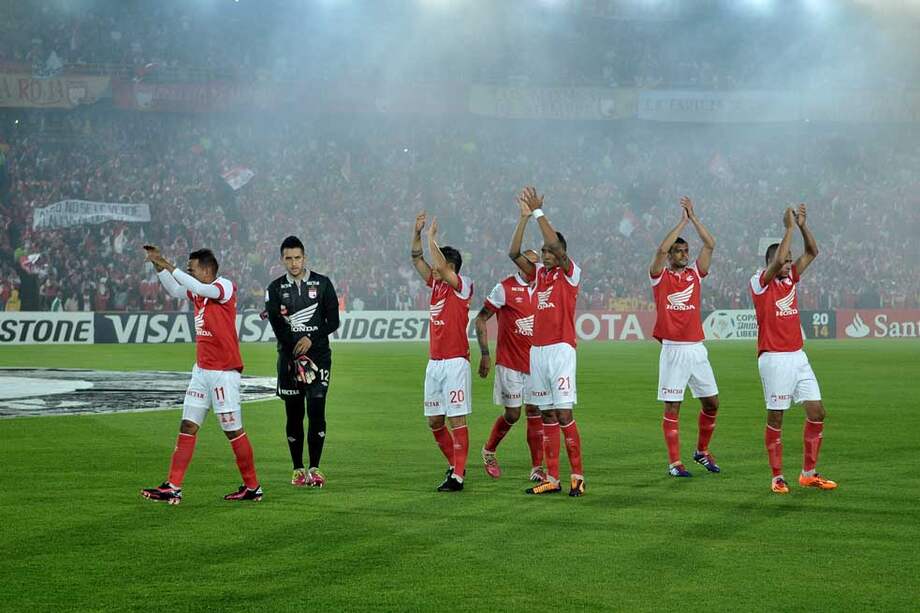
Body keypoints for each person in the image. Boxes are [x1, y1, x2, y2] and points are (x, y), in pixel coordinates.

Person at [140, 245, 262, 504]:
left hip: (223, 373)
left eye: (191, 269)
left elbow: (199, 288)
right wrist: (157, 265)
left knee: (232, 430)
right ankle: (173, 486)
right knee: (188, 425)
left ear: (206, 270)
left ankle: (252, 487)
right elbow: (174, 289)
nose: (188, 273)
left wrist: (169, 264)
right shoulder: (199, 293)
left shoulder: (224, 287)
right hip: (202, 371)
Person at [750, 205, 837, 494]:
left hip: (798, 357)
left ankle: (808, 473)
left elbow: (812, 252)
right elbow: (774, 266)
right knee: (776, 417)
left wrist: (801, 226)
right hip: (773, 358)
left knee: (817, 412)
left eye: (789, 261)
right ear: (771, 262)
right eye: (784, 260)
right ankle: (777, 477)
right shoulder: (759, 282)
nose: (789, 264)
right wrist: (786, 229)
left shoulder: (791, 279)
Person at [509, 187, 585, 497]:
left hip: (561, 349)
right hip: (537, 351)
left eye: (550, 252)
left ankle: (578, 477)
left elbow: (555, 242)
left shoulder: (571, 273)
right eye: (543, 252)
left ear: (562, 254)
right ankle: (552, 477)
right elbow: (513, 255)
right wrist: (523, 220)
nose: (546, 255)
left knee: (564, 414)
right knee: (547, 414)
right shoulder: (539, 275)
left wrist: (539, 212)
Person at [649, 196, 721, 478]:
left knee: (712, 403)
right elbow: (659, 249)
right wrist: (680, 223)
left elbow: (710, 244)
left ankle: (701, 451)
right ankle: (675, 463)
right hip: (674, 350)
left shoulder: (695, 274)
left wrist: (693, 219)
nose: (683, 254)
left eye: (685, 250)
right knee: (673, 406)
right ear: (670, 256)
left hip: (697, 349)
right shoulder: (659, 277)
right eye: (678, 251)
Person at [264, 236, 340, 488]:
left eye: (298, 257)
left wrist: (311, 338)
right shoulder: (274, 289)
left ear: (304, 257)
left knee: (317, 411)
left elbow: (333, 321)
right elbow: (276, 325)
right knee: (294, 414)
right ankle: (297, 469)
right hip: (288, 359)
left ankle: (315, 468)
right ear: (282, 259)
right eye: (289, 258)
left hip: (319, 359)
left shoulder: (323, 283)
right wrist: (294, 353)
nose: (294, 263)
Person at [412, 212, 473, 492]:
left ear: (450, 266)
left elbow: (441, 268)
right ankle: (454, 464)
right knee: (435, 421)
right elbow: (417, 260)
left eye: (439, 265)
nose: (433, 269)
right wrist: (417, 233)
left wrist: (431, 238)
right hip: (434, 363)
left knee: (456, 417)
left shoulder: (463, 286)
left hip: (455, 362)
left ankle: (458, 476)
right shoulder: (435, 285)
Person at [474, 249, 546, 482]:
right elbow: (481, 318)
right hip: (510, 363)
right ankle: (488, 450)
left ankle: (537, 468)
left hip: (536, 363)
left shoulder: (544, 286)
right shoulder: (504, 288)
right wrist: (485, 353)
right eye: (531, 263)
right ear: (521, 264)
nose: (535, 267)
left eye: (537, 263)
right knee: (513, 414)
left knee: (535, 411)